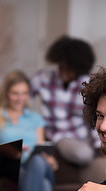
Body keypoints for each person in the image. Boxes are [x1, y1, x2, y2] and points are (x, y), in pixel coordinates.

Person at [0, 70, 57, 191]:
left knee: (39, 161)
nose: (20, 99)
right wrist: (11, 151)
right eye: (15, 93)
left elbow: (40, 147)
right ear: (6, 94)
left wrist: (49, 160)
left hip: (35, 165)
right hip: (12, 168)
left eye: (24, 93)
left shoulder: (35, 118)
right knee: (44, 185)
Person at [30, 36, 101, 166]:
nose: (65, 73)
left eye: (70, 70)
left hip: (82, 134)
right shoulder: (43, 77)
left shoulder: (90, 83)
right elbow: (22, 96)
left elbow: (95, 117)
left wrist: (99, 145)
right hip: (59, 135)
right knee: (83, 155)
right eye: (63, 67)